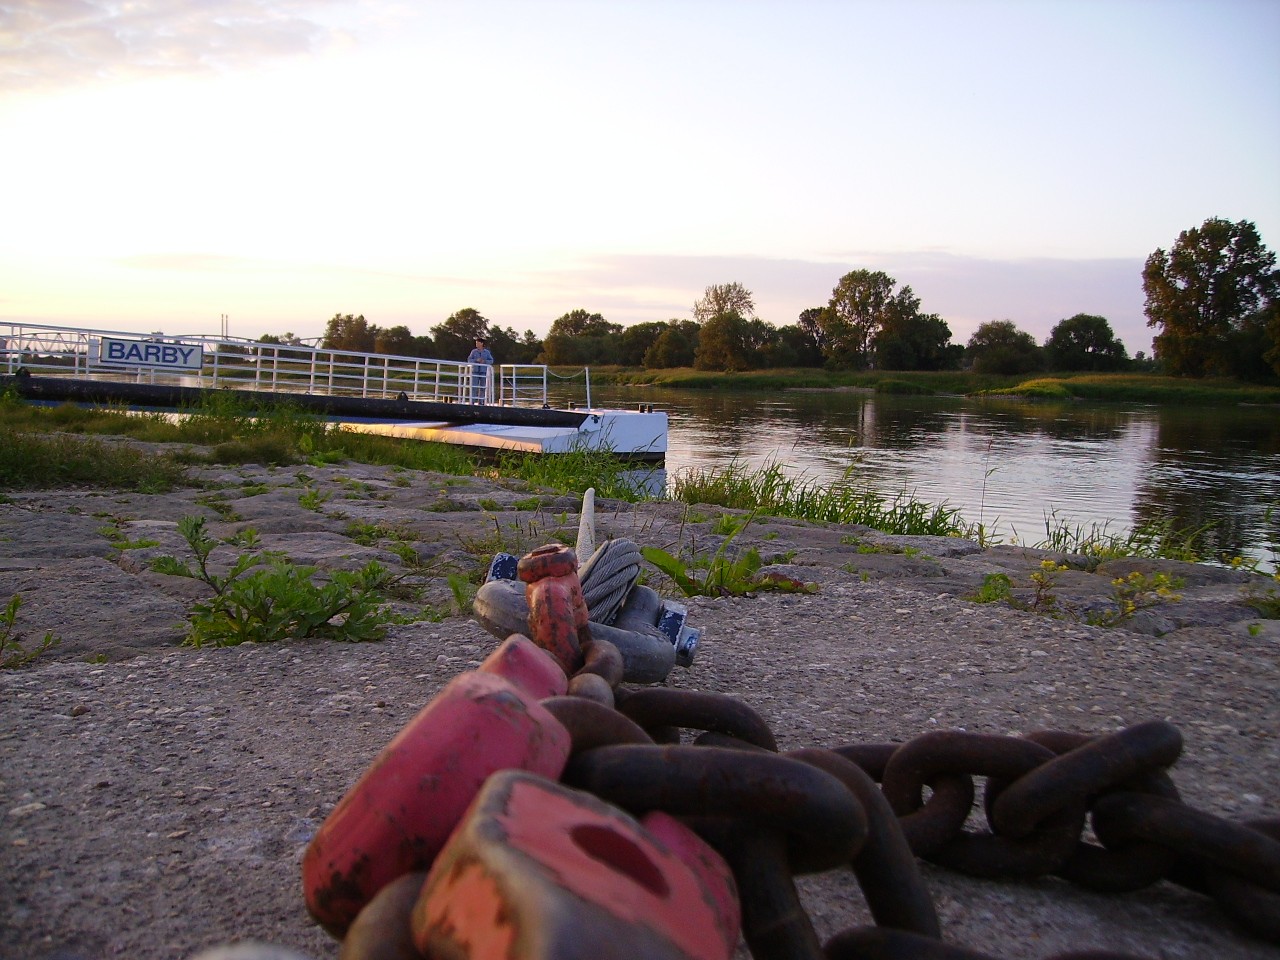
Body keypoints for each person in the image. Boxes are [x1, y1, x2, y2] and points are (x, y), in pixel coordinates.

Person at [466, 335, 494, 403]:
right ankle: (472, 401)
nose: (476, 344)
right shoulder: (473, 351)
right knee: (473, 387)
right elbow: (469, 360)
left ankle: (481, 401)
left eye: (478, 343)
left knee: (483, 387)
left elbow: (491, 360)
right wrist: (476, 360)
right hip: (475, 371)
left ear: (482, 343)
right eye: (476, 343)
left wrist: (485, 361)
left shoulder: (487, 352)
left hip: (483, 372)